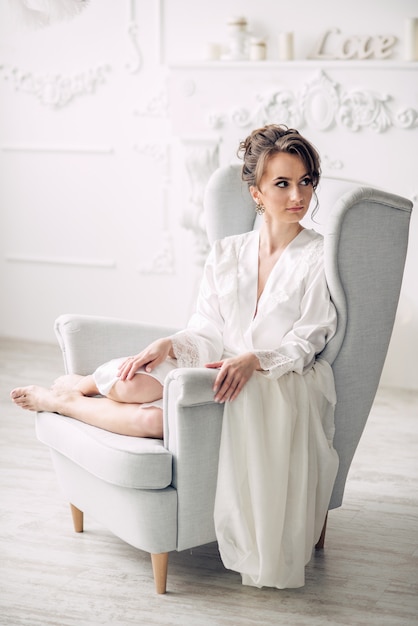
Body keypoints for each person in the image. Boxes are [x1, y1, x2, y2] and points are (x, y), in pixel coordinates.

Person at [11, 124, 339, 589]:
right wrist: (170, 344)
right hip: (209, 361)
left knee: (151, 421)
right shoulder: (227, 252)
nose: (297, 195)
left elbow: (309, 339)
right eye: (282, 183)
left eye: (306, 181)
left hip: (263, 379)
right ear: (256, 193)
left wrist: (255, 360)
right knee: (131, 385)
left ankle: (63, 401)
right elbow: (206, 327)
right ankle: (86, 382)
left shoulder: (318, 256)